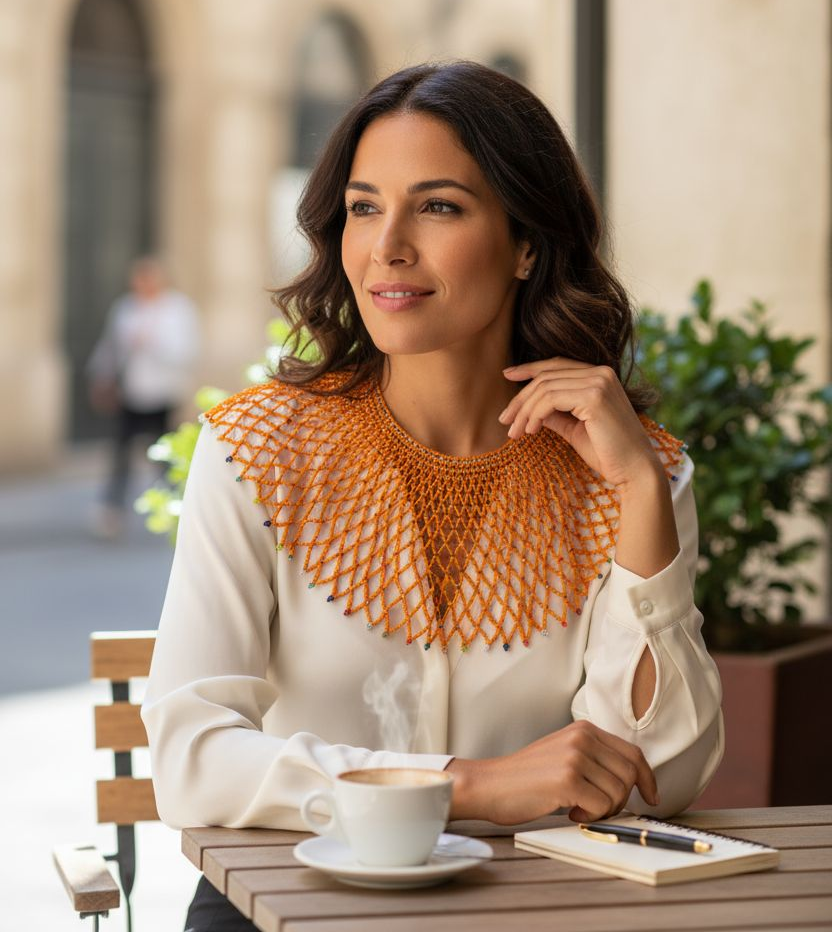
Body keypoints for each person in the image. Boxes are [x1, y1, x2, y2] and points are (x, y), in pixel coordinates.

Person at [142, 61, 723, 932]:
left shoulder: (632, 472)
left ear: (527, 244)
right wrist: (468, 785)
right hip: (281, 905)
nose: (387, 246)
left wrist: (639, 489)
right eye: (363, 207)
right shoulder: (255, 452)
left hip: (526, 913)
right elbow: (191, 759)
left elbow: (656, 779)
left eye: (439, 207)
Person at [87, 255, 201, 537]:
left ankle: (178, 506)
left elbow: (186, 351)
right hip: (131, 391)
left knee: (163, 455)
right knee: (121, 453)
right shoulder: (125, 308)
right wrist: (102, 376)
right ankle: (112, 509)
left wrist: (152, 342)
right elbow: (111, 346)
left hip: (163, 392)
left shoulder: (177, 309)